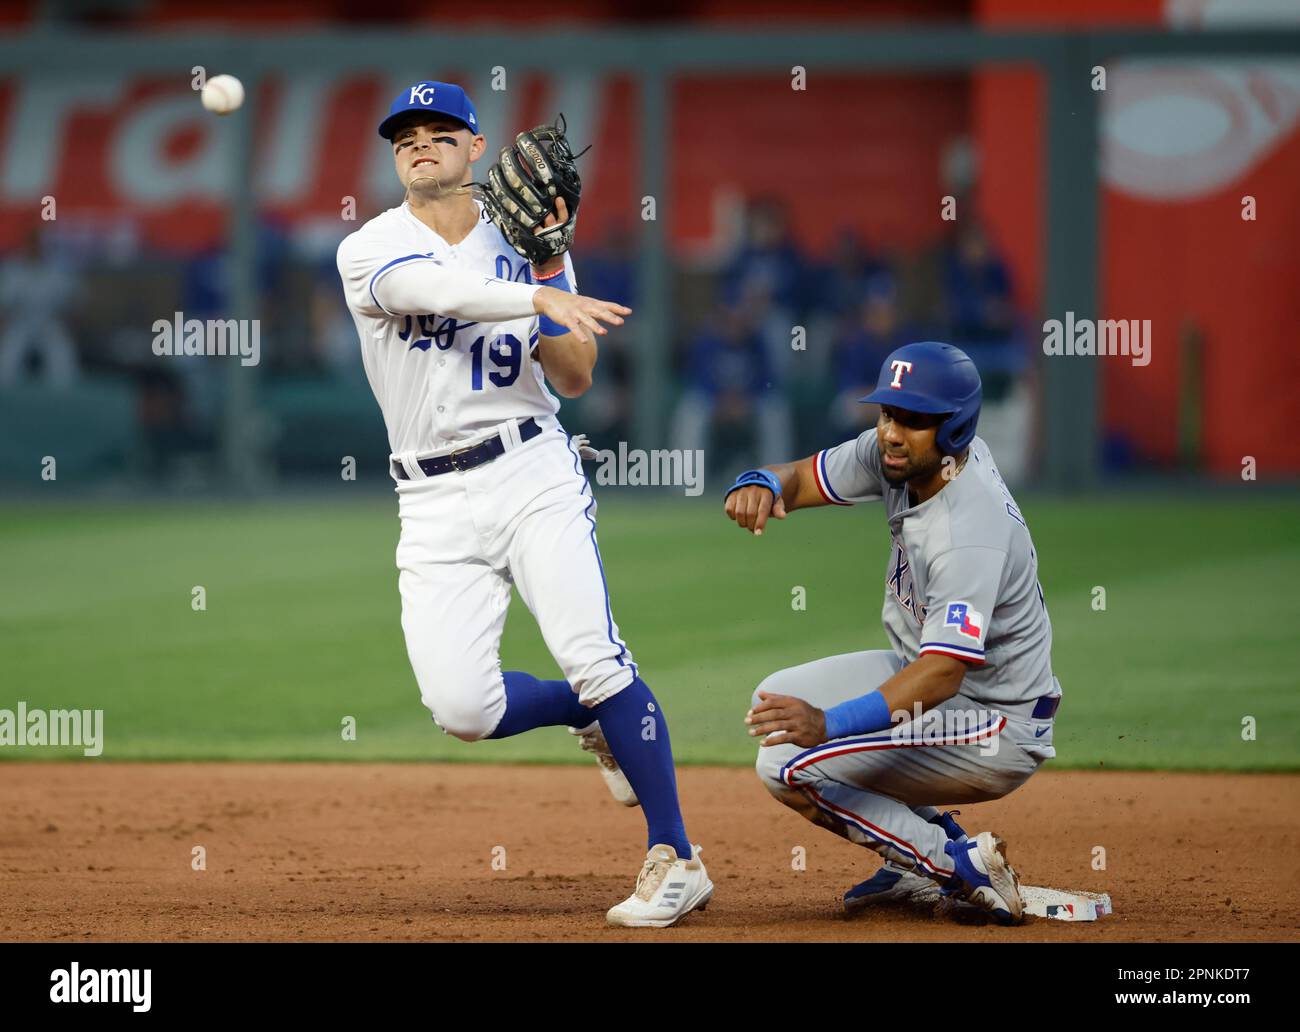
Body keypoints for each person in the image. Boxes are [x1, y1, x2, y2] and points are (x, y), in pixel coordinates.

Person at [335, 81, 712, 927]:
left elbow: (573, 378)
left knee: (596, 654)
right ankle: (595, 718)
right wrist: (536, 293)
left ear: (477, 150)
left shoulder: (530, 243)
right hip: (430, 499)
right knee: (462, 710)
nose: (419, 143)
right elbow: (434, 294)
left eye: (440, 131)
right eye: (405, 136)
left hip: (531, 472)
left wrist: (547, 264)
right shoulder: (368, 247)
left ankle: (676, 856)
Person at [723, 341, 1060, 925]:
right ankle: (926, 849)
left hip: (993, 720)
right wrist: (764, 482)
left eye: (912, 419)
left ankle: (959, 869)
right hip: (930, 683)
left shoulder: (967, 528)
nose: (891, 432)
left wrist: (829, 724)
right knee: (772, 704)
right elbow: (802, 478)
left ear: (955, 429)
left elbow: (944, 673)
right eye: (885, 413)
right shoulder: (903, 458)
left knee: (786, 764)